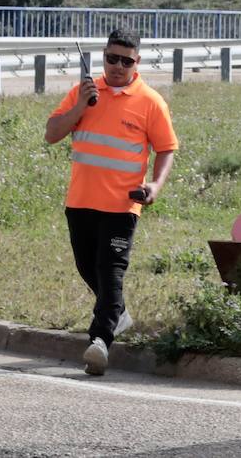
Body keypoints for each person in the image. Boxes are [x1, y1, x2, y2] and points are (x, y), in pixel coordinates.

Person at [44, 28, 177, 376]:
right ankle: (117, 314)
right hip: (81, 201)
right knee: (88, 268)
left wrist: (156, 186)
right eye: (111, 58)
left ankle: (100, 341)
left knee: (110, 271)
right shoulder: (83, 92)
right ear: (102, 56)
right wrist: (78, 107)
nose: (118, 66)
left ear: (138, 62)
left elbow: (166, 149)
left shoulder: (150, 102)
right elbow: (52, 134)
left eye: (126, 60)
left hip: (122, 205)